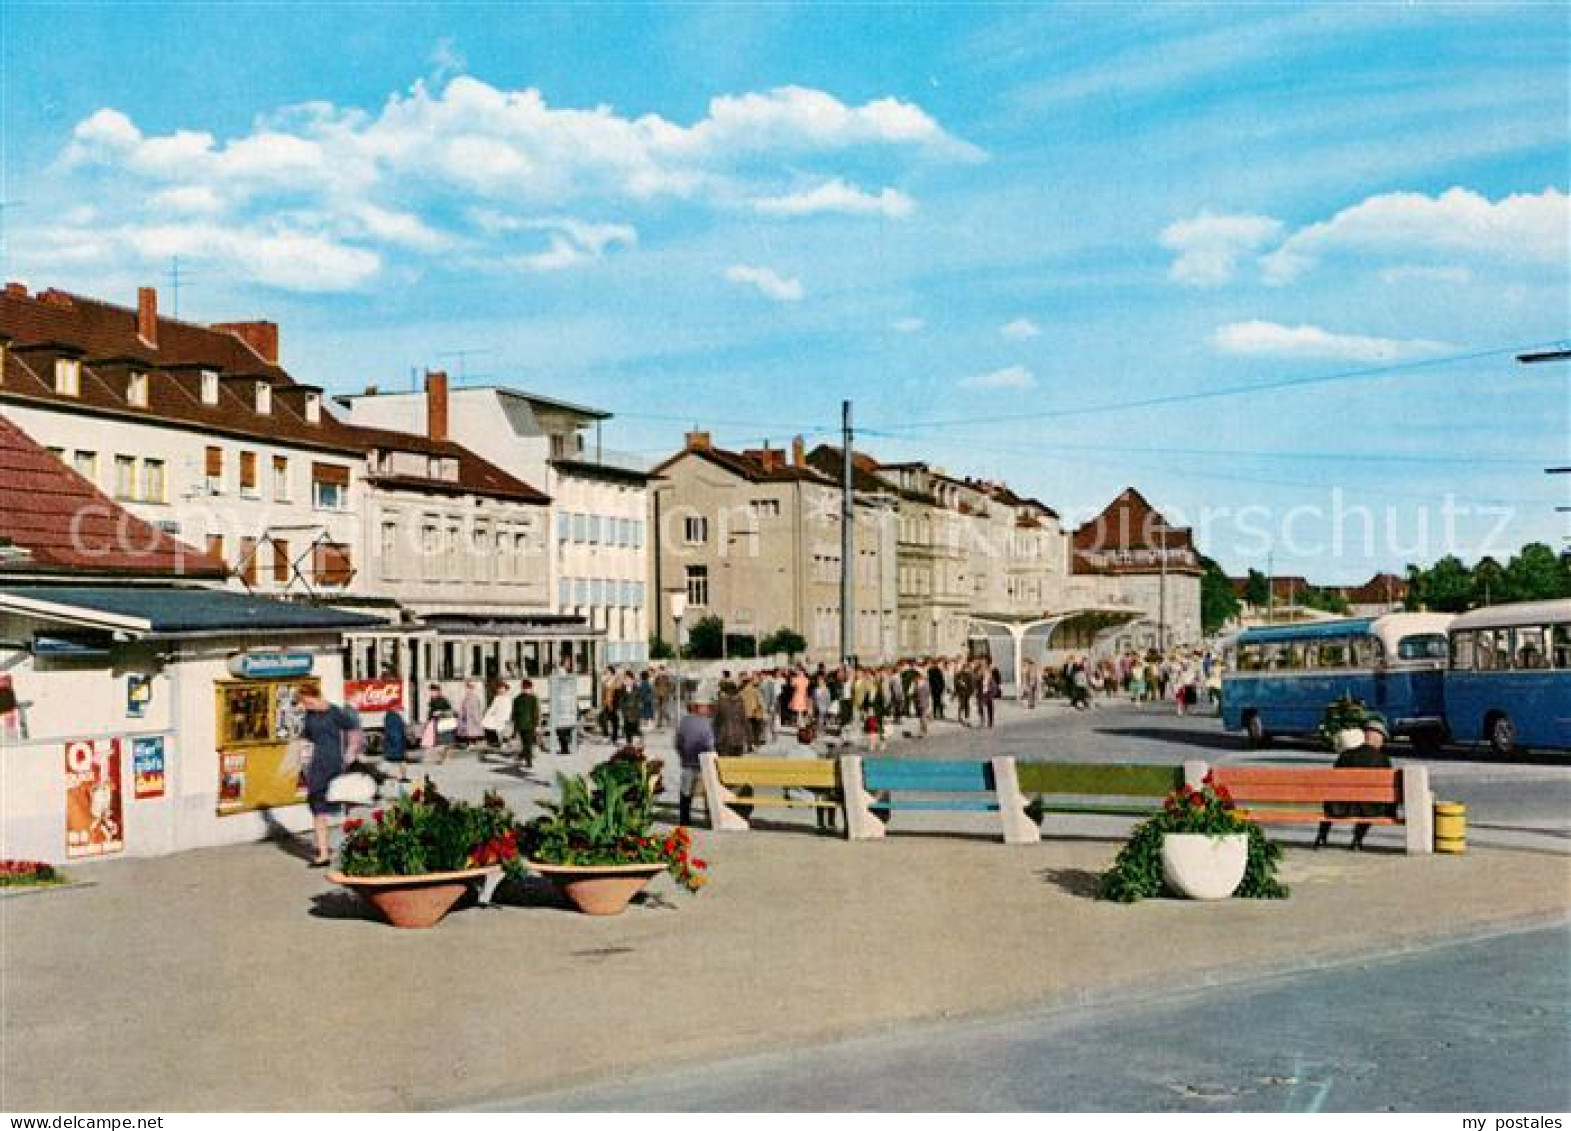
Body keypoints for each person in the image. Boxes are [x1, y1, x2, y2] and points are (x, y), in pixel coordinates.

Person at [297, 686, 357, 867]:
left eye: (308, 702)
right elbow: (307, 738)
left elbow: (353, 728)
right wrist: (302, 757)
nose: (306, 706)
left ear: (318, 697)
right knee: (317, 808)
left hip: (334, 764)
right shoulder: (309, 715)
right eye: (304, 703)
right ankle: (323, 854)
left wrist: (351, 751)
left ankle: (355, 848)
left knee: (343, 806)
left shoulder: (334, 712)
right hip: (317, 766)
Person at [1316, 716, 1396, 850]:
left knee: (1332, 799)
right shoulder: (1383, 760)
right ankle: (1357, 840)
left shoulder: (1346, 755)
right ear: (1377, 737)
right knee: (1372, 803)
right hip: (1368, 811)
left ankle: (1322, 837)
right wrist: (1391, 811)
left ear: (1365, 735)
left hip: (1340, 809)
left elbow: (1332, 784)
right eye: (1383, 739)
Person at [674, 695, 717, 826]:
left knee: (686, 791)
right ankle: (710, 818)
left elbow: (678, 742)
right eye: (706, 707)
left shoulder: (684, 721)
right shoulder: (710, 722)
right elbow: (713, 742)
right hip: (705, 762)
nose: (708, 709)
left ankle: (684, 818)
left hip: (689, 761)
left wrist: (682, 755)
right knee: (708, 790)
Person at [511, 679, 540, 767]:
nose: (526, 690)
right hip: (520, 725)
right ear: (522, 688)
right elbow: (514, 713)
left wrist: (536, 725)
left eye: (528, 688)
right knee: (524, 743)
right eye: (525, 688)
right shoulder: (517, 699)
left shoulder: (533, 698)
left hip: (530, 724)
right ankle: (524, 755)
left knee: (528, 743)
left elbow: (535, 712)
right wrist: (515, 727)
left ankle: (528, 761)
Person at [482, 681, 514, 749]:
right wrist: (487, 714)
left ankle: (505, 743)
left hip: (506, 717)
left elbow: (510, 709)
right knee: (497, 730)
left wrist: (510, 717)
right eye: (499, 689)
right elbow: (492, 708)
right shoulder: (497, 698)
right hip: (498, 717)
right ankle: (499, 743)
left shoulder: (508, 698)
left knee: (506, 731)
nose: (500, 690)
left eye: (502, 688)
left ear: (505, 689)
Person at [457, 682, 485, 747]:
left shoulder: (474, 698)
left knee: (473, 735)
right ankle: (470, 746)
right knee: (468, 735)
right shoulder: (466, 697)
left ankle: (473, 746)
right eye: (466, 689)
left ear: (472, 689)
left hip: (472, 720)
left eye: (469, 688)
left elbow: (475, 710)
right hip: (466, 719)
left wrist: (477, 721)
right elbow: (462, 708)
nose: (467, 690)